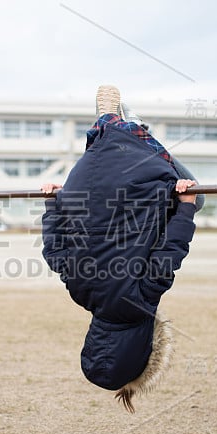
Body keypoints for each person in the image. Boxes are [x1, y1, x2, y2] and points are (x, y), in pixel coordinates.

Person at [41, 85, 199, 412]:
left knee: (197, 196)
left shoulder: (141, 302)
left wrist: (185, 207)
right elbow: (54, 252)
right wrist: (52, 203)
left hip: (138, 180)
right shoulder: (82, 296)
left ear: (141, 347)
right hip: (81, 181)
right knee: (106, 148)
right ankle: (110, 124)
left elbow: (171, 250)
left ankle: (137, 130)